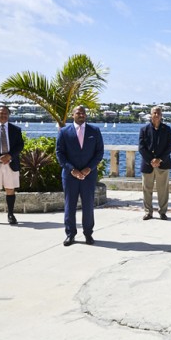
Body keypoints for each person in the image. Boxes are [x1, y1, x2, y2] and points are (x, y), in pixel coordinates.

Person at [56, 106, 104, 247]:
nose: (81, 114)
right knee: (70, 205)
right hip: (70, 175)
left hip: (89, 175)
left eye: (83, 113)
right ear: (73, 115)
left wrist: (89, 168)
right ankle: (70, 234)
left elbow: (99, 152)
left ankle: (88, 234)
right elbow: (60, 153)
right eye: (78, 113)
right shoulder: (64, 132)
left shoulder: (94, 131)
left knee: (88, 205)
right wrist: (72, 170)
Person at [138, 106, 171, 221]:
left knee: (163, 190)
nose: (156, 115)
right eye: (154, 113)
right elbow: (141, 147)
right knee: (146, 189)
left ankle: (163, 212)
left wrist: (159, 159)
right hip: (147, 164)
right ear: (151, 115)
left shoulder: (167, 129)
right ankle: (148, 212)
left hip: (163, 164)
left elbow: (169, 147)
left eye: (158, 113)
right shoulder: (144, 129)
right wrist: (151, 160)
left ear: (161, 115)